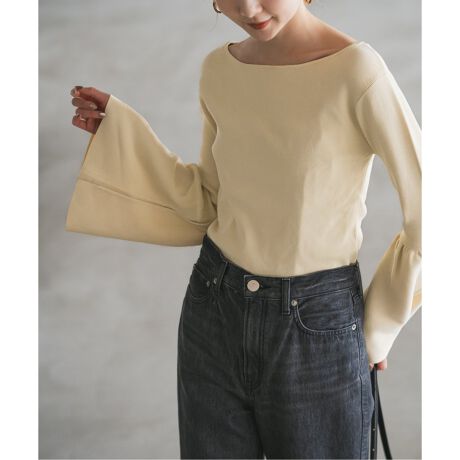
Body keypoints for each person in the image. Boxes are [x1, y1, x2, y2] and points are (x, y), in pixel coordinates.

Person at [65, 1, 421, 458]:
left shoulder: (357, 71)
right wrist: (120, 135)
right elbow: (209, 200)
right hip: (213, 311)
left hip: (316, 328)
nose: (249, 8)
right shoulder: (219, 70)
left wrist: (378, 327)